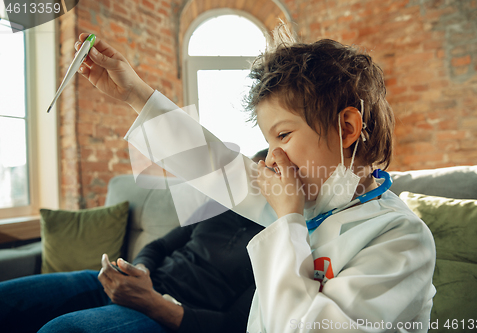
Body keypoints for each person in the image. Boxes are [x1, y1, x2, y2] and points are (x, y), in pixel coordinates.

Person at [74, 26, 436, 333]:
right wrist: (134, 93)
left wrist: (288, 220)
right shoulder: (313, 197)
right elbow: (215, 165)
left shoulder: (401, 238)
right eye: (268, 142)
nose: (272, 158)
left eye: (283, 136)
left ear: (346, 129)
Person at [0, 150, 266, 333]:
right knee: (7, 298)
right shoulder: (217, 206)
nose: (249, 181)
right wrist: (139, 272)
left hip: (165, 311)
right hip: (129, 284)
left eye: (261, 176)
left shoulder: (279, 242)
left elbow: (234, 325)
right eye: (248, 171)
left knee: (61, 330)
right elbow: (157, 247)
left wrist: (150, 301)